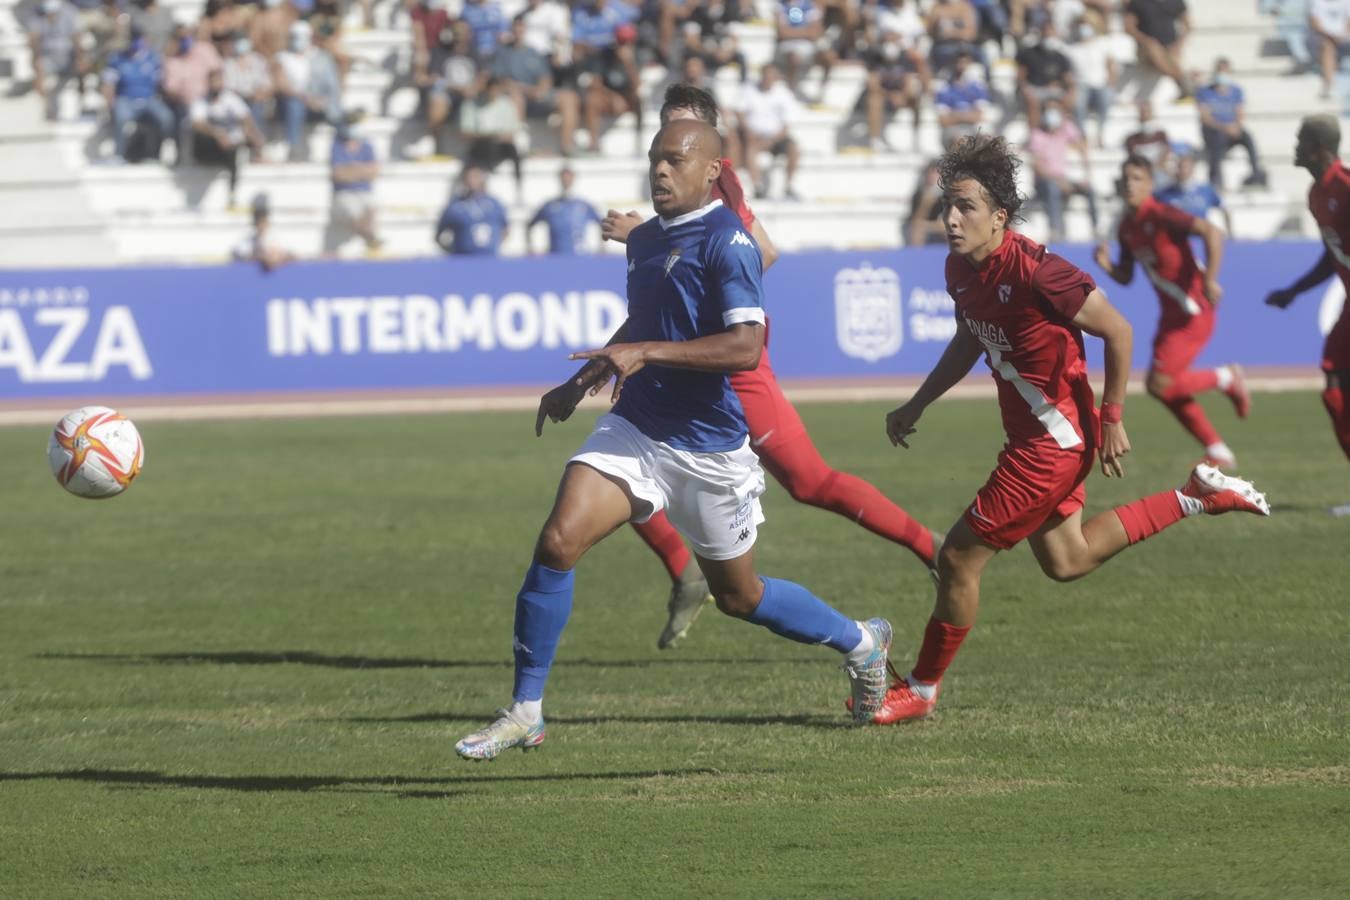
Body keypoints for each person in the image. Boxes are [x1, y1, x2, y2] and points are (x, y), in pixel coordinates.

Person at [453, 119, 895, 760]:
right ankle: (526, 710)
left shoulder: (730, 242)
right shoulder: (647, 241)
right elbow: (643, 320)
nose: (661, 171)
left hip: (711, 451)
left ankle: (861, 642)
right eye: (655, 160)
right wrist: (582, 381)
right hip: (638, 429)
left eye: (676, 161)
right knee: (558, 540)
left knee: (740, 597)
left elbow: (746, 347)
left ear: (711, 170)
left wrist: (646, 351)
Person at [863, 134, 1270, 725]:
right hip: (1044, 440)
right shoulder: (960, 269)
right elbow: (971, 336)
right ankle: (1196, 497)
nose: (951, 219)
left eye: (966, 208)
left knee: (957, 560)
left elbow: (1121, 331)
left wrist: (1112, 418)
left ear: (1000, 216)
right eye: (948, 206)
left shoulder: (1039, 271)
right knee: (1068, 559)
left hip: (1051, 445)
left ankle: (922, 689)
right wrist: (918, 403)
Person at [601, 83, 937, 649]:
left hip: (732, 368)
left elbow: (764, 251)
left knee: (810, 483)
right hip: (683, 371)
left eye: (684, 129)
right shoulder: (674, 197)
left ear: (713, 146)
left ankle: (933, 548)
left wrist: (643, 235)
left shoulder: (721, 184)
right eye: (664, 133)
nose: (670, 148)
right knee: (622, 458)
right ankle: (685, 571)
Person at [1095, 155, 1249, 467]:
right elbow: (1126, 276)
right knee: (1160, 388)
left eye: (1137, 178)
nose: (1129, 184)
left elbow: (1212, 233)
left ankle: (1226, 378)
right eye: (1125, 178)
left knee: (1159, 383)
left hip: (1193, 309)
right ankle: (1218, 450)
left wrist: (1210, 280)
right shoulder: (1127, 227)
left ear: (1150, 184)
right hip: (1170, 315)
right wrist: (1107, 267)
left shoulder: (1163, 214)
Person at [1264, 115, 1350, 516]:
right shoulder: (1318, 193)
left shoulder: (1346, 188)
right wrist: (1294, 291)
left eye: (1300, 140)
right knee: (1334, 387)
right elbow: (1331, 255)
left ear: (1318, 148)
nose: (1295, 147)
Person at [1027, 96, 1098, 242]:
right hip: (1045, 181)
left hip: (1063, 179)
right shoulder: (1037, 134)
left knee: (1089, 189)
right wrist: (1059, 181)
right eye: (1048, 109)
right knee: (1052, 189)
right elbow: (1038, 168)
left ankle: (1096, 228)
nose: (1052, 112)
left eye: (1055, 109)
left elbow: (1082, 146)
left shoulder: (1066, 128)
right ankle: (1056, 230)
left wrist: (1086, 174)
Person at [190, 68, 263, 207]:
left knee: (238, 147)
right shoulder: (201, 101)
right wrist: (217, 133)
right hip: (209, 145)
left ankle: (232, 194)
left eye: (218, 81)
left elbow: (246, 118)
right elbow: (197, 123)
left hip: (228, 144)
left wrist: (248, 133)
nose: (216, 85)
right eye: (213, 81)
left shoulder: (230, 98)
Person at [102, 29, 174, 162]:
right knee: (121, 116)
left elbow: (162, 84)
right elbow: (109, 84)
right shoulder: (117, 59)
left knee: (166, 118)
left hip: (149, 99)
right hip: (126, 99)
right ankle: (119, 154)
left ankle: (157, 154)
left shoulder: (153, 58)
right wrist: (109, 104)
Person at [1196, 58, 1268, 190]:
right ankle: (1216, 179)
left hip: (1231, 129)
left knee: (1248, 138)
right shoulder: (1205, 92)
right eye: (1220, 71)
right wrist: (1224, 127)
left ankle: (1256, 173)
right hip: (1214, 131)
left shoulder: (1236, 91)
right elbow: (1204, 117)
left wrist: (1236, 126)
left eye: (1225, 71)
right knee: (1216, 140)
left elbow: (1240, 113)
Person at [737, 63, 802, 200]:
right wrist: (749, 131)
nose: (768, 78)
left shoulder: (784, 93)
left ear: (776, 77)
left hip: (777, 137)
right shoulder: (749, 89)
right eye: (766, 75)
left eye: (771, 75)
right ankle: (757, 186)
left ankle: (789, 186)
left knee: (794, 148)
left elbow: (787, 123)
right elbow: (739, 113)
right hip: (753, 136)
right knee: (751, 147)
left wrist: (773, 139)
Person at [325, 123, 384, 255]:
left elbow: (374, 171)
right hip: (344, 193)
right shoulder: (337, 145)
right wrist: (362, 171)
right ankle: (370, 238)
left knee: (371, 205)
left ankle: (369, 238)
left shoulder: (366, 145)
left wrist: (351, 170)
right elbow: (339, 175)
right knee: (353, 209)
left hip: (362, 192)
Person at [1155, 144, 1232, 234]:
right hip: (1175, 242)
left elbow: (1224, 209)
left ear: (1193, 167)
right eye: (1179, 165)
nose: (1182, 169)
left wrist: (1230, 234)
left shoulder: (1206, 190)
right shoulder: (1162, 194)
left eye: (1186, 165)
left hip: (1200, 240)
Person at [1123, 0, 1191, 101]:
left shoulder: (1176, 2)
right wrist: (1146, 41)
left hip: (1168, 48)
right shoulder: (1138, 2)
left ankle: (1182, 83)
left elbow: (1188, 26)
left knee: (1169, 55)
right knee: (1155, 49)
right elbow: (1129, 27)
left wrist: (1178, 45)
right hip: (1146, 50)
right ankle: (1182, 81)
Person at [434, 165, 510, 255]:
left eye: (476, 177)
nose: (472, 181)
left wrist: (493, 244)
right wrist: (451, 250)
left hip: (489, 258)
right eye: (469, 177)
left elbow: (505, 229)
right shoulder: (455, 206)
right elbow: (439, 233)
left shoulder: (495, 204)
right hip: (463, 259)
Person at [29, 0, 84, 122]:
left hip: (68, 55)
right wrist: (35, 58)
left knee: (83, 67)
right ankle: (47, 107)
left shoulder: (70, 11)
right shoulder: (38, 12)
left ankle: (83, 104)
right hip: (48, 56)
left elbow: (77, 36)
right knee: (38, 69)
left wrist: (79, 58)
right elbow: (34, 37)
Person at [528, 167, 601, 254]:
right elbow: (530, 225)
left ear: (573, 179)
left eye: (568, 178)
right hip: (556, 257)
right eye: (564, 178)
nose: (566, 181)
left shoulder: (584, 205)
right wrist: (531, 248)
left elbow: (602, 224)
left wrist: (601, 248)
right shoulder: (549, 206)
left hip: (580, 256)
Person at [232, 193, 296, 270]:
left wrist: (277, 256)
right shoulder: (248, 239)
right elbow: (238, 253)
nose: (261, 225)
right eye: (259, 222)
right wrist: (262, 257)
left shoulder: (276, 237)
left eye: (263, 221)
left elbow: (291, 255)